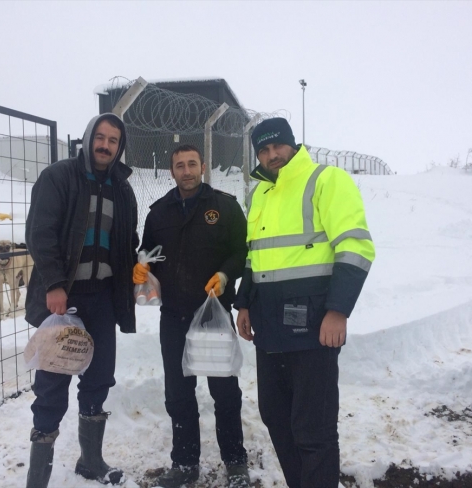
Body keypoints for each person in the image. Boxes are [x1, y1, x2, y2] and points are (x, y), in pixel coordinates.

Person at [235, 118, 375, 488]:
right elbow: (254, 256)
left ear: (292, 145)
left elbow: (355, 246)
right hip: (269, 329)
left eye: (277, 146)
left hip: (314, 327)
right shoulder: (261, 194)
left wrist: (338, 310)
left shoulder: (326, 180)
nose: (271, 155)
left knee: (313, 428)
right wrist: (244, 304)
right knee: (276, 417)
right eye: (263, 150)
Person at [24, 113, 138, 488]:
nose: (105, 145)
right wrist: (54, 284)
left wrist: (137, 272)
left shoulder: (122, 189)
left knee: (98, 378)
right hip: (65, 299)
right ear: (89, 138)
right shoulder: (59, 177)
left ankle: (91, 461)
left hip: (103, 298)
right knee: (53, 381)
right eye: (100, 137)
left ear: (120, 147)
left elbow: (126, 242)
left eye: (113, 141)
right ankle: (37, 475)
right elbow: (40, 233)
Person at [134, 144, 251, 488]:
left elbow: (241, 249)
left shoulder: (225, 207)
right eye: (179, 166)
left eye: (191, 164)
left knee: (225, 392)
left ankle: (235, 462)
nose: (186, 171)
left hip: (213, 316)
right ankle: (185, 465)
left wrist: (227, 275)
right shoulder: (158, 213)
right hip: (173, 318)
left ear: (203, 167)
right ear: (171, 171)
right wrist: (141, 265)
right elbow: (149, 250)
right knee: (178, 395)